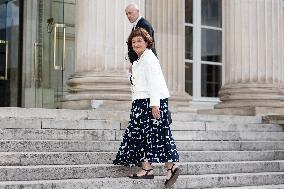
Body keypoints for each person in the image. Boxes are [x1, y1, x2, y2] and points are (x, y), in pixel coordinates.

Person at [113, 28, 180, 188]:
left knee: (158, 134)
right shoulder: (139, 60)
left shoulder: (150, 58)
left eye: (139, 41)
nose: (136, 44)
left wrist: (155, 104)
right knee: (142, 135)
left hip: (150, 102)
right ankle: (149, 168)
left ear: (147, 42)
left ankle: (169, 166)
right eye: (133, 42)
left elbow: (155, 82)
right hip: (140, 102)